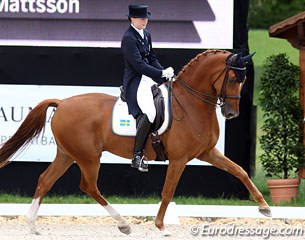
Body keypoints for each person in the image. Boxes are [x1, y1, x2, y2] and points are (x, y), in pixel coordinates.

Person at [121, 4, 174, 172]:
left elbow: (152, 57)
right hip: (136, 82)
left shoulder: (146, 34)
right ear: (132, 19)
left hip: (148, 79)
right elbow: (138, 65)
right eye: (141, 18)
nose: (145, 21)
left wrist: (164, 73)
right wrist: (160, 73)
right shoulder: (128, 38)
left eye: (146, 18)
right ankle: (137, 155)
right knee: (150, 112)